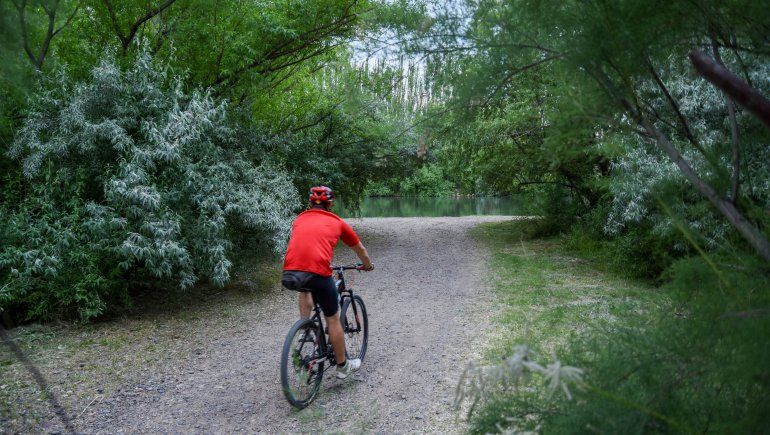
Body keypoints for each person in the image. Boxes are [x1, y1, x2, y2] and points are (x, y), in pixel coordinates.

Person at [281, 185, 374, 379]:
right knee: (332, 318)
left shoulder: (299, 218)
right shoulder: (337, 222)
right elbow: (361, 250)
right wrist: (367, 265)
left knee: (305, 289)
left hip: (291, 273)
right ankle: (342, 365)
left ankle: (305, 328)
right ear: (330, 204)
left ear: (310, 203)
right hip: (317, 273)